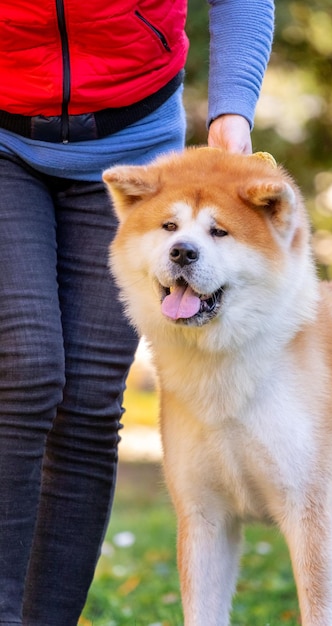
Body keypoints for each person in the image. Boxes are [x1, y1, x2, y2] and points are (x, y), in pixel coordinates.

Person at [0, 1, 274, 624]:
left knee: (91, 404)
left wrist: (232, 109)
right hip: (4, 134)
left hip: (137, 142)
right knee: (27, 367)